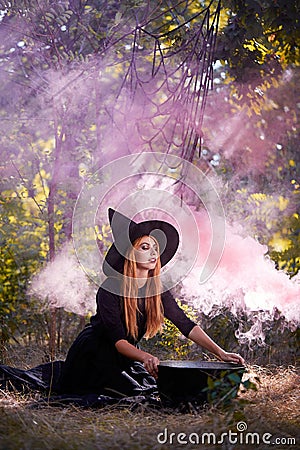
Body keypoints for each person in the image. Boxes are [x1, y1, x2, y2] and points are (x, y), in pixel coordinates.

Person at [58, 208, 244, 398]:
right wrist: (145, 357)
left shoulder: (157, 289)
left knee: (150, 387)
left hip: (126, 357)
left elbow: (185, 324)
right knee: (128, 394)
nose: (153, 253)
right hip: (94, 355)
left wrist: (220, 353)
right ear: (130, 253)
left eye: (155, 247)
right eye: (145, 247)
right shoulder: (109, 289)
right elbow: (118, 341)